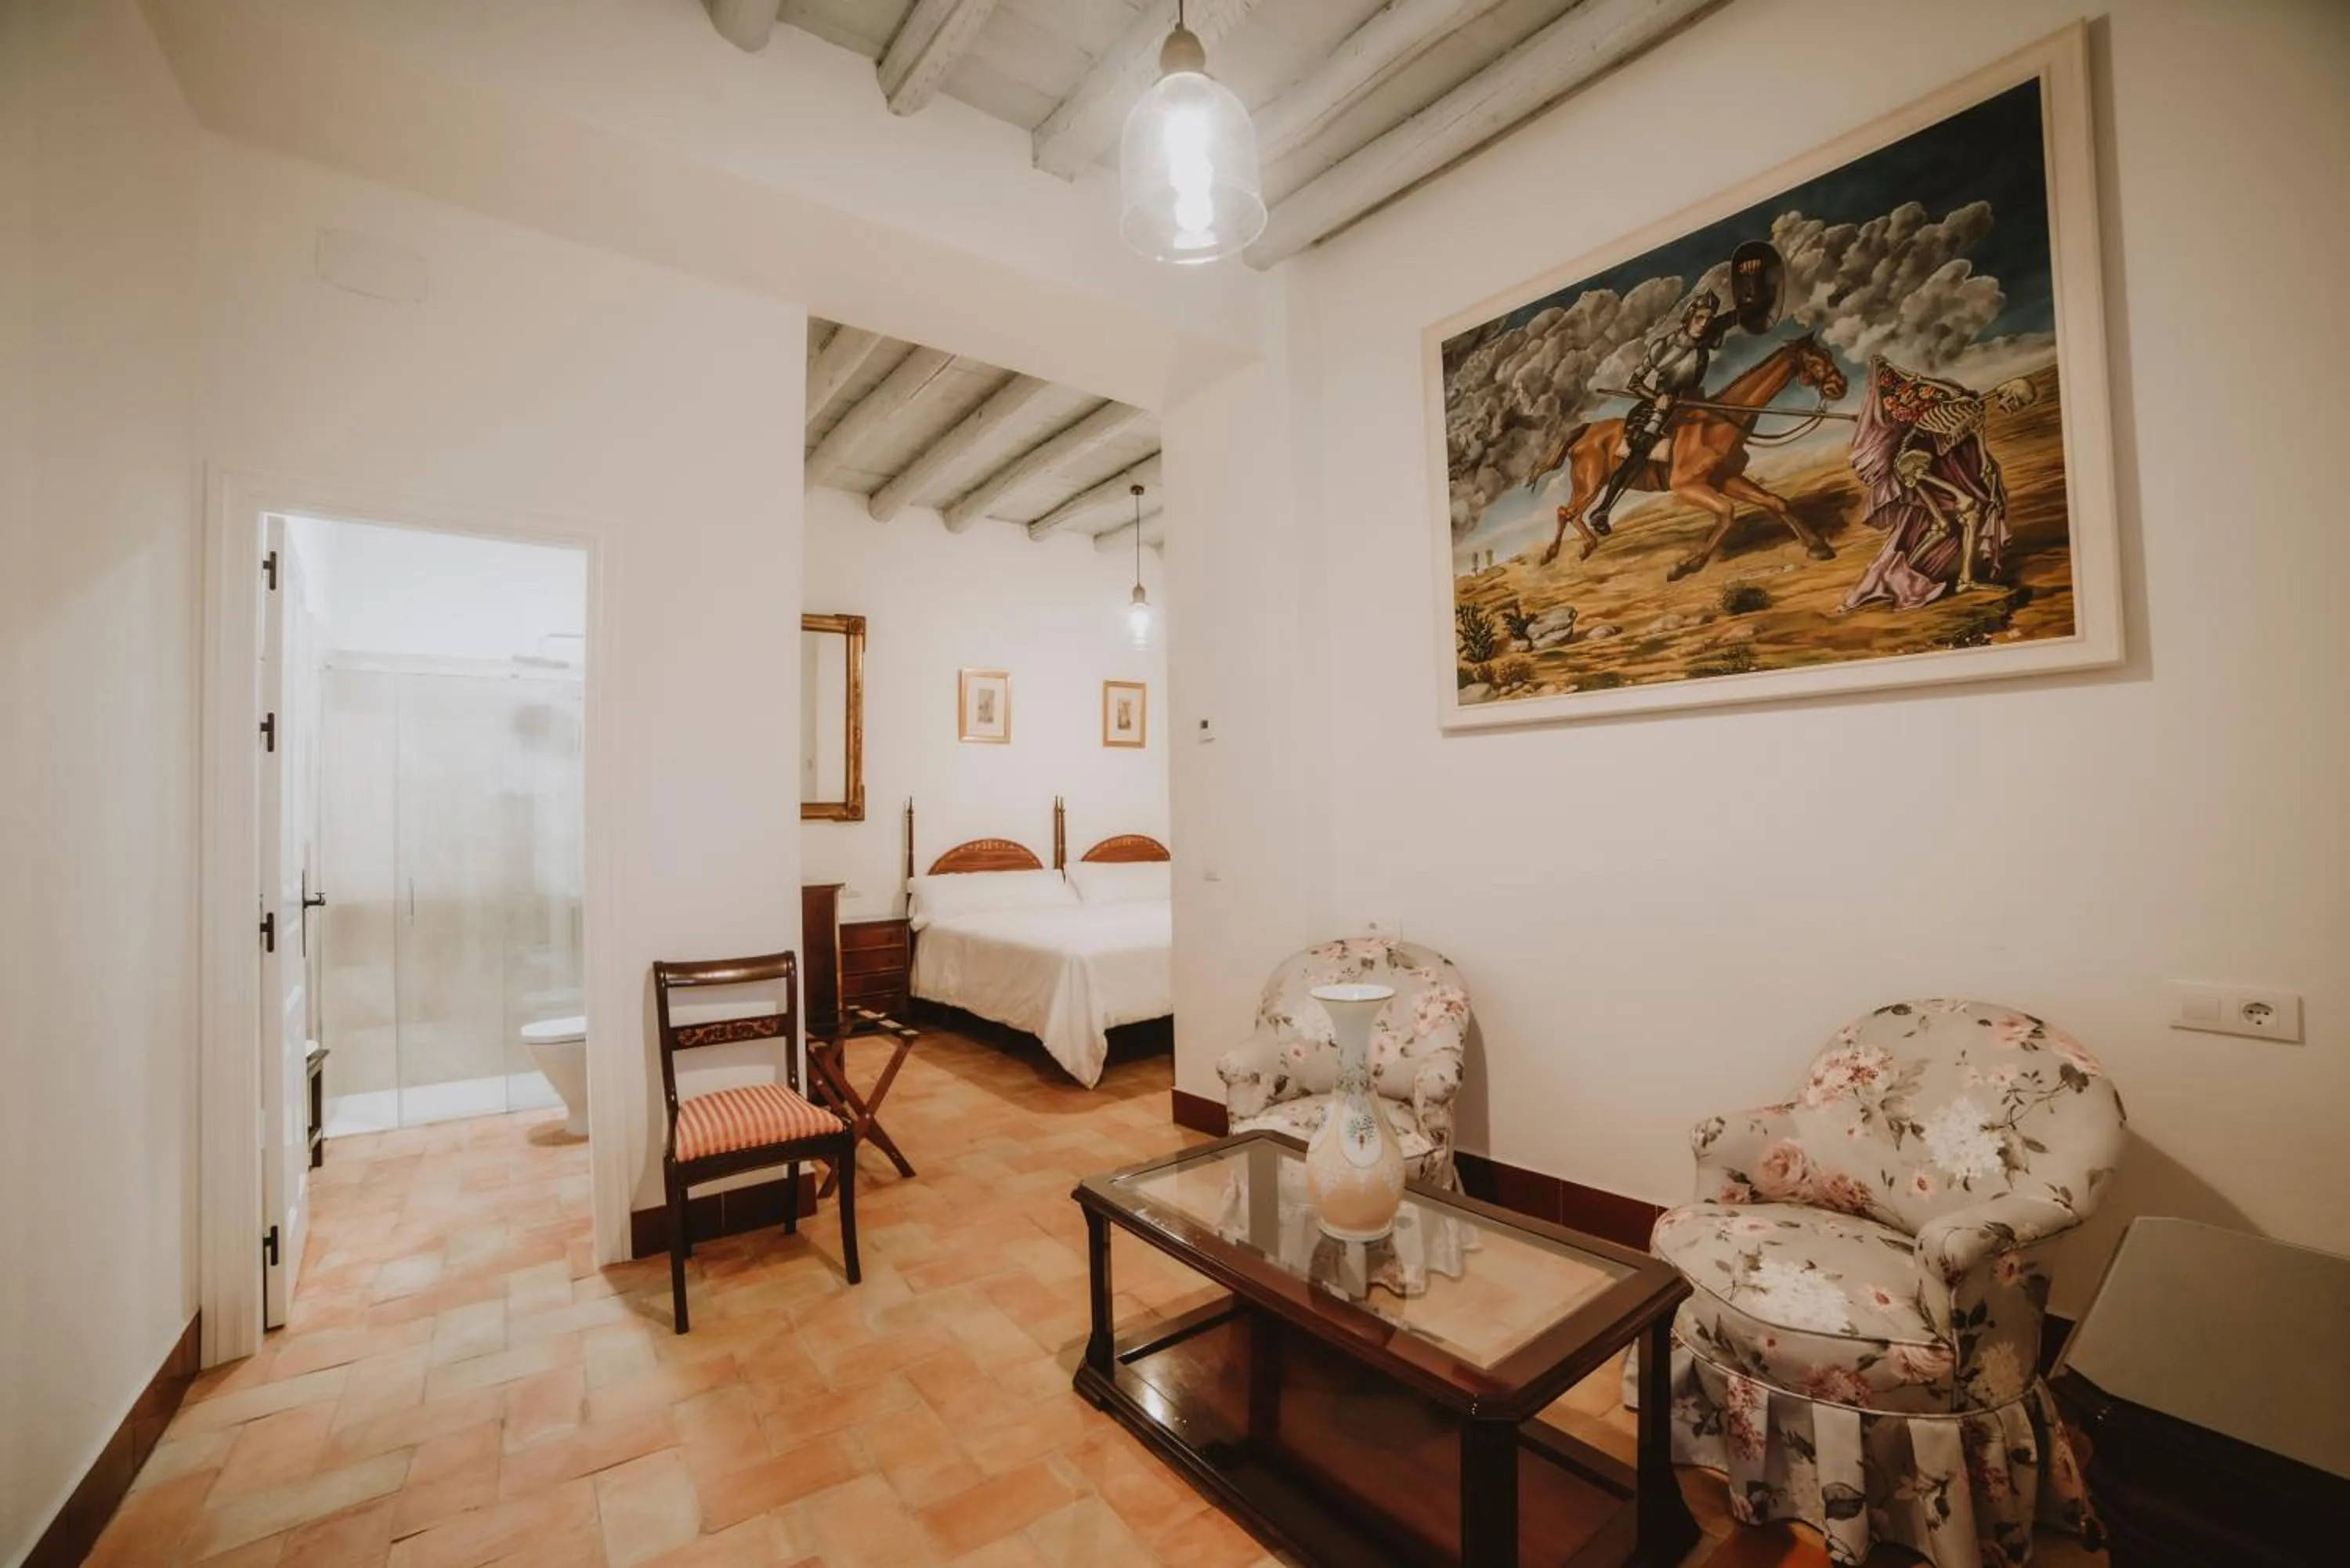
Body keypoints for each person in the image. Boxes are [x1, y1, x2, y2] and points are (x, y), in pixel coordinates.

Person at [1839, 356, 2040, 612]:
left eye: (2021, 406)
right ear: (2008, 393)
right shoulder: (1963, 402)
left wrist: (1990, 476)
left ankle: (1960, 579)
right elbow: (1919, 398)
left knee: (1951, 522)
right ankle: (1900, 575)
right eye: (2018, 402)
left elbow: (1978, 449)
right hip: (1914, 465)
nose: (2015, 408)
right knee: (1964, 511)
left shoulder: (1974, 410)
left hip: (1922, 465)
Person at [1589, 291, 1736, 533]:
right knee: (1640, 449)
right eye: (1699, 318)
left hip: (1691, 402)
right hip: (1657, 406)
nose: (1704, 323)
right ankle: (1603, 509)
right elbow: (1634, 383)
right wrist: (1658, 398)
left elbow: (1740, 313)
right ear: (1689, 316)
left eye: (1709, 319)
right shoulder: (1664, 346)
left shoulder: (1708, 335)